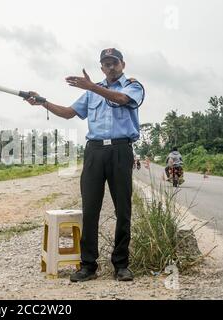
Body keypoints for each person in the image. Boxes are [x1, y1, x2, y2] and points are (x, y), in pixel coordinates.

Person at [25, 48, 144, 282]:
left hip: (121, 150)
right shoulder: (91, 92)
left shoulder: (132, 85)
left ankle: (121, 265)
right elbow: (70, 113)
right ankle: (88, 265)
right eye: (106, 64)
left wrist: (91, 86)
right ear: (101, 68)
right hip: (95, 151)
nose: (110, 67)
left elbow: (122, 99)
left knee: (123, 209)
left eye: (114, 63)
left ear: (123, 64)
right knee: (90, 209)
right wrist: (43, 102)